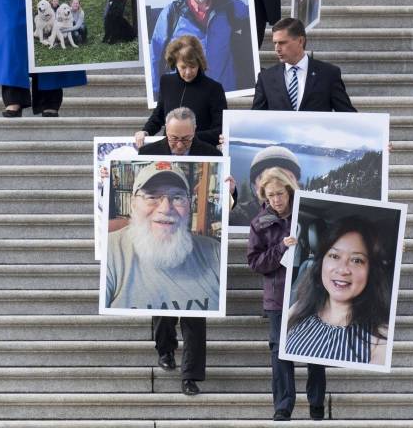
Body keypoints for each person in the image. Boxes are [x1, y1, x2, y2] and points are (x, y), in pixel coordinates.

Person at [133, 106, 223, 397]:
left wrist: (230, 191)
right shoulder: (149, 153)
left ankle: (191, 375)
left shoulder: (211, 153)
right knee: (162, 302)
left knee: (196, 312)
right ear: (166, 132)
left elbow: (224, 201)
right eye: (174, 139)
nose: (180, 145)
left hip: (196, 240)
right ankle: (165, 349)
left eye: (185, 139)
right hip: (158, 237)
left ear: (195, 132)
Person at [246, 163, 326, 421]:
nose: (276, 199)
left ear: (289, 191)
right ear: (264, 196)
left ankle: (316, 404)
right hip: (277, 296)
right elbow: (255, 263)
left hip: (309, 292)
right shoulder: (259, 223)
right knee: (280, 351)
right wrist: (280, 247)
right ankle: (283, 407)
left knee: (315, 347)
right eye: (271, 195)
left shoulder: (307, 216)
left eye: (280, 193)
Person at [105, 160, 222, 312]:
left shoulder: (215, 252)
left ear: (189, 205)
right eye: (152, 196)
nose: (166, 209)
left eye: (177, 197)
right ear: (133, 204)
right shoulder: (109, 251)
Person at [284, 216, 393, 367]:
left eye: (356, 260)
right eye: (334, 256)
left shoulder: (381, 337)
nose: (342, 270)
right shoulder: (298, 309)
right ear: (322, 261)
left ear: (371, 270)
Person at [148, 0, 253, 99]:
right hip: (184, 93)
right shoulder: (171, 13)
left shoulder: (234, 7)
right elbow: (155, 53)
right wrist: (155, 92)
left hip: (224, 92)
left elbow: (254, 35)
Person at [136, 37, 227, 149]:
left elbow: (220, 129)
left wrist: (188, 139)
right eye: (183, 67)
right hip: (169, 151)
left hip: (201, 151)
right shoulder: (166, 82)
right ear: (175, 63)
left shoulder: (214, 88)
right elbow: (158, 115)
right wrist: (145, 131)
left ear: (200, 63)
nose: (188, 72)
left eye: (193, 66)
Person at [252, 18, 355, 113]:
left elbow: (347, 114)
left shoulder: (328, 74)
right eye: (275, 43)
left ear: (300, 41)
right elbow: (256, 118)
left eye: (282, 43)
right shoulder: (265, 78)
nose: (277, 48)